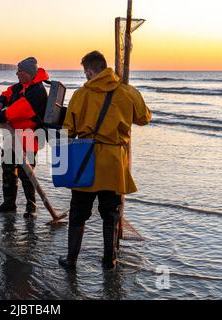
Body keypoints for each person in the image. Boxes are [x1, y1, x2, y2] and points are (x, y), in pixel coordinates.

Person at [58, 51, 152, 270]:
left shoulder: (82, 94)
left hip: (85, 160)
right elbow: (144, 118)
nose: (85, 77)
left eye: (85, 73)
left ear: (90, 71)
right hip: (114, 163)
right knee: (111, 215)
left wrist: (63, 158)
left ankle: (71, 260)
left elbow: (68, 130)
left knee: (78, 213)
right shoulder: (128, 92)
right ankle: (110, 260)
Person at [0, 57, 49, 218]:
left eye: (19, 71)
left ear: (28, 73)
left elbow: (15, 112)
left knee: (26, 174)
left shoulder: (37, 92)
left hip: (30, 137)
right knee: (7, 169)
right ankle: (9, 204)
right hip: (12, 135)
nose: (16, 73)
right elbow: (7, 93)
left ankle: (31, 208)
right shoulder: (20, 86)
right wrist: (0, 102)